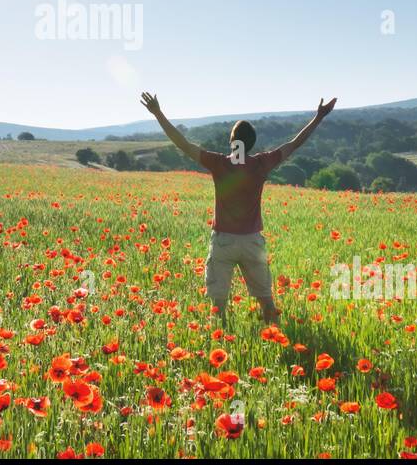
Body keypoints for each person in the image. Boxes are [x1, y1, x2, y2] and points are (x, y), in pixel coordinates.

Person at [139, 92, 337, 323]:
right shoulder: (262, 163)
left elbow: (182, 143)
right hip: (252, 241)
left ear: (232, 142)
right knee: (266, 300)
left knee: (218, 305)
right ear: (251, 143)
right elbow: (294, 144)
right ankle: (275, 336)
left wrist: (158, 113)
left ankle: (221, 343)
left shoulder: (219, 163)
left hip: (223, 241)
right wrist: (319, 117)